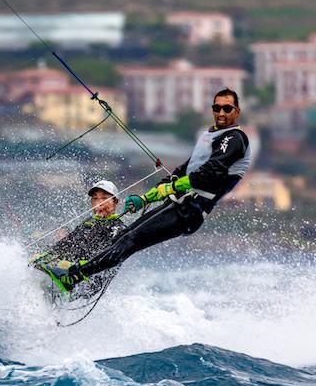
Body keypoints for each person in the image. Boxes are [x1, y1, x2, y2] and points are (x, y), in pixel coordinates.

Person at [44, 88, 251, 291]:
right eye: (217, 107)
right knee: (123, 237)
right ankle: (85, 279)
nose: (221, 113)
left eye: (227, 108)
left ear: (237, 111)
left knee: (129, 239)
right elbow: (183, 171)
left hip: (190, 211)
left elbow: (208, 174)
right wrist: (145, 199)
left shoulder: (234, 138)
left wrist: (171, 187)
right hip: (178, 205)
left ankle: (73, 278)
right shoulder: (211, 135)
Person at [31, 180, 125, 294]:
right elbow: (67, 243)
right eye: (95, 199)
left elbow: (107, 258)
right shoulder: (89, 222)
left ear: (116, 202)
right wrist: (46, 255)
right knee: (37, 268)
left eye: (104, 198)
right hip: (67, 273)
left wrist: (75, 267)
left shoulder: (118, 228)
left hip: (89, 282)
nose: (99, 203)